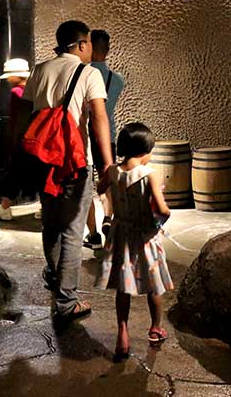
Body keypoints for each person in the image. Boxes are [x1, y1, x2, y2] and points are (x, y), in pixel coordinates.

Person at [21, 20, 114, 328]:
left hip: (42, 160)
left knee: (51, 223)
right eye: (88, 44)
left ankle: (55, 274)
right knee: (73, 230)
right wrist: (108, 164)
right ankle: (67, 300)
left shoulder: (40, 70)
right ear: (82, 45)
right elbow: (99, 119)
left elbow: (24, 115)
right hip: (74, 162)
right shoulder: (90, 74)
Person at [96, 122, 174, 362]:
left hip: (120, 234)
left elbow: (100, 189)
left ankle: (122, 334)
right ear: (144, 151)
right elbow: (162, 209)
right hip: (145, 237)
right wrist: (162, 218)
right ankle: (155, 328)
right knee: (153, 285)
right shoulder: (149, 175)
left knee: (123, 286)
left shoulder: (111, 171)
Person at [84, 29, 125, 250]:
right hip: (108, 135)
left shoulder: (83, 75)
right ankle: (107, 217)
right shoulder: (118, 80)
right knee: (106, 179)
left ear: (89, 46)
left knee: (86, 185)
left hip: (85, 135)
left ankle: (92, 235)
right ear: (108, 49)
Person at [0, 58, 31, 221]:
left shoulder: (16, 92)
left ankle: (4, 207)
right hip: (34, 139)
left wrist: (12, 139)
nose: (9, 80)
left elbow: (17, 119)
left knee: (12, 174)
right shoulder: (33, 90)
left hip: (21, 139)